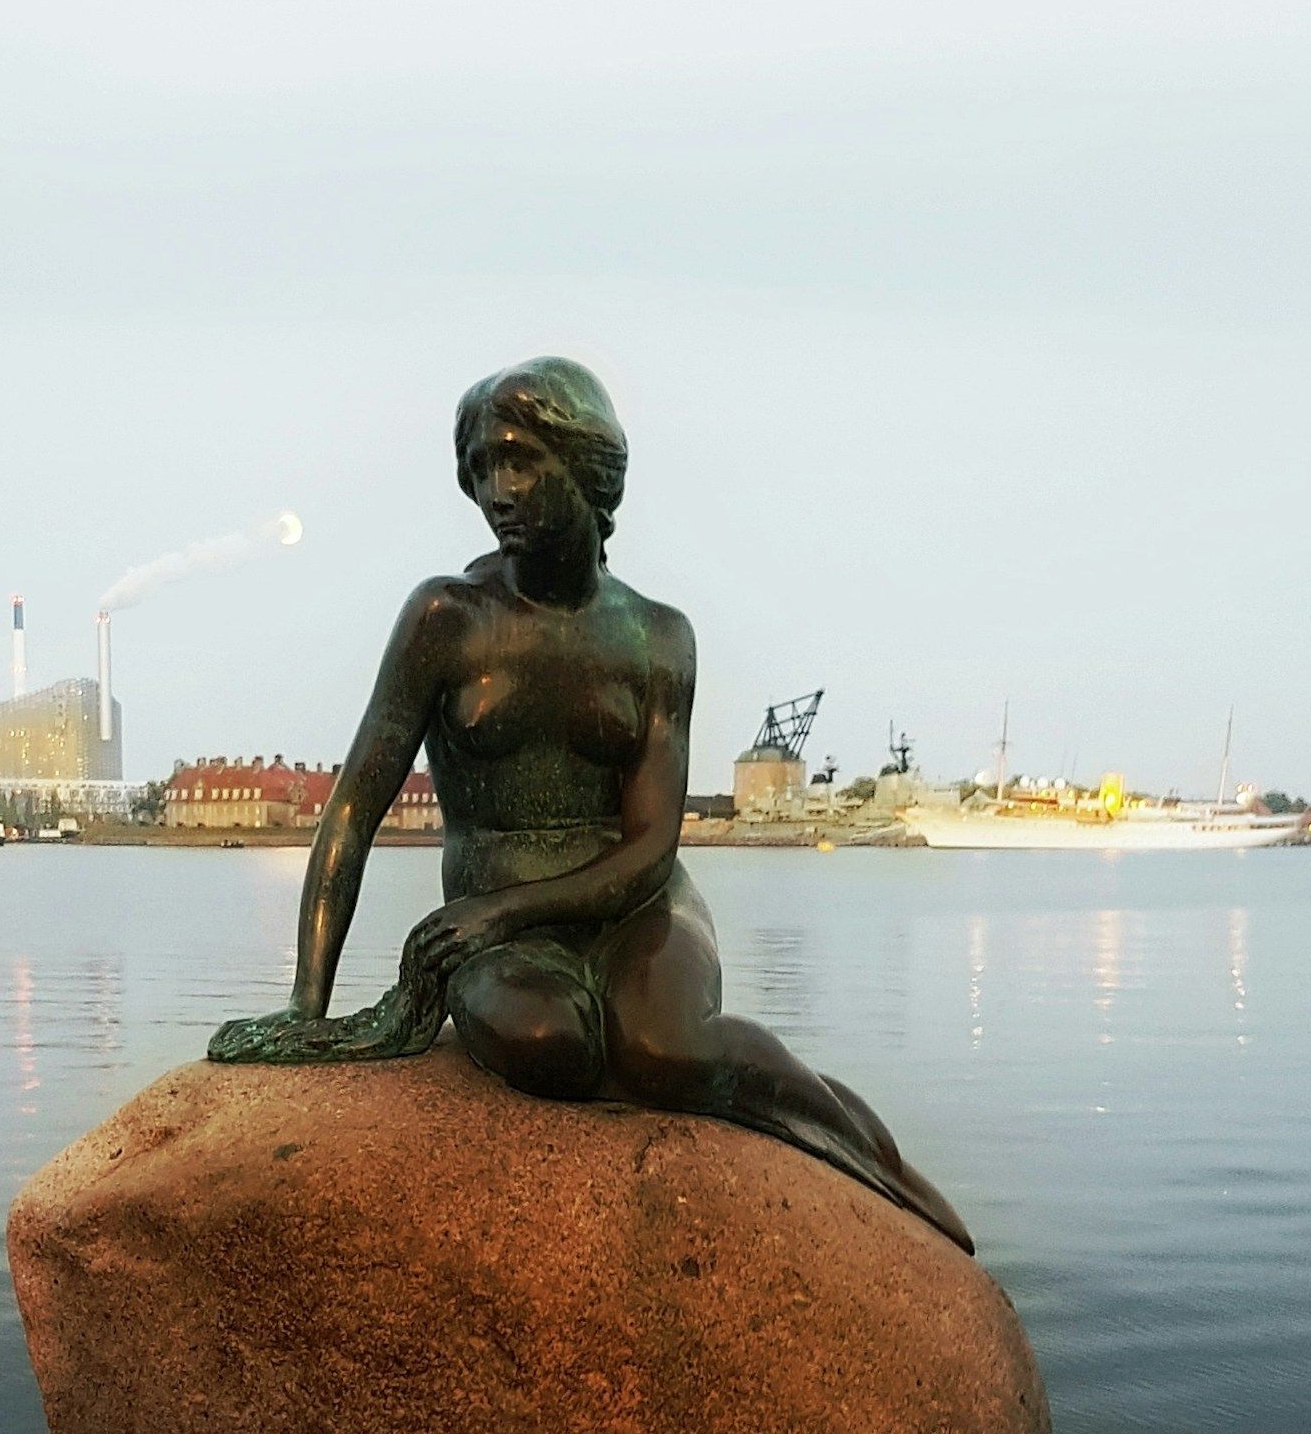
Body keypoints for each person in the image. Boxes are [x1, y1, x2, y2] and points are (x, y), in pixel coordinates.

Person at [209, 358, 972, 1249]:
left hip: (637, 904)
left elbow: (652, 846)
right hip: (501, 931)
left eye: (521, 462)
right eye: (482, 470)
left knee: (667, 1048)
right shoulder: (446, 619)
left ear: (588, 468)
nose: (498, 490)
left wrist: (497, 909)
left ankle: (877, 1163)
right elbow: (353, 810)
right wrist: (309, 1004)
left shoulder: (656, 638)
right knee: (551, 1045)